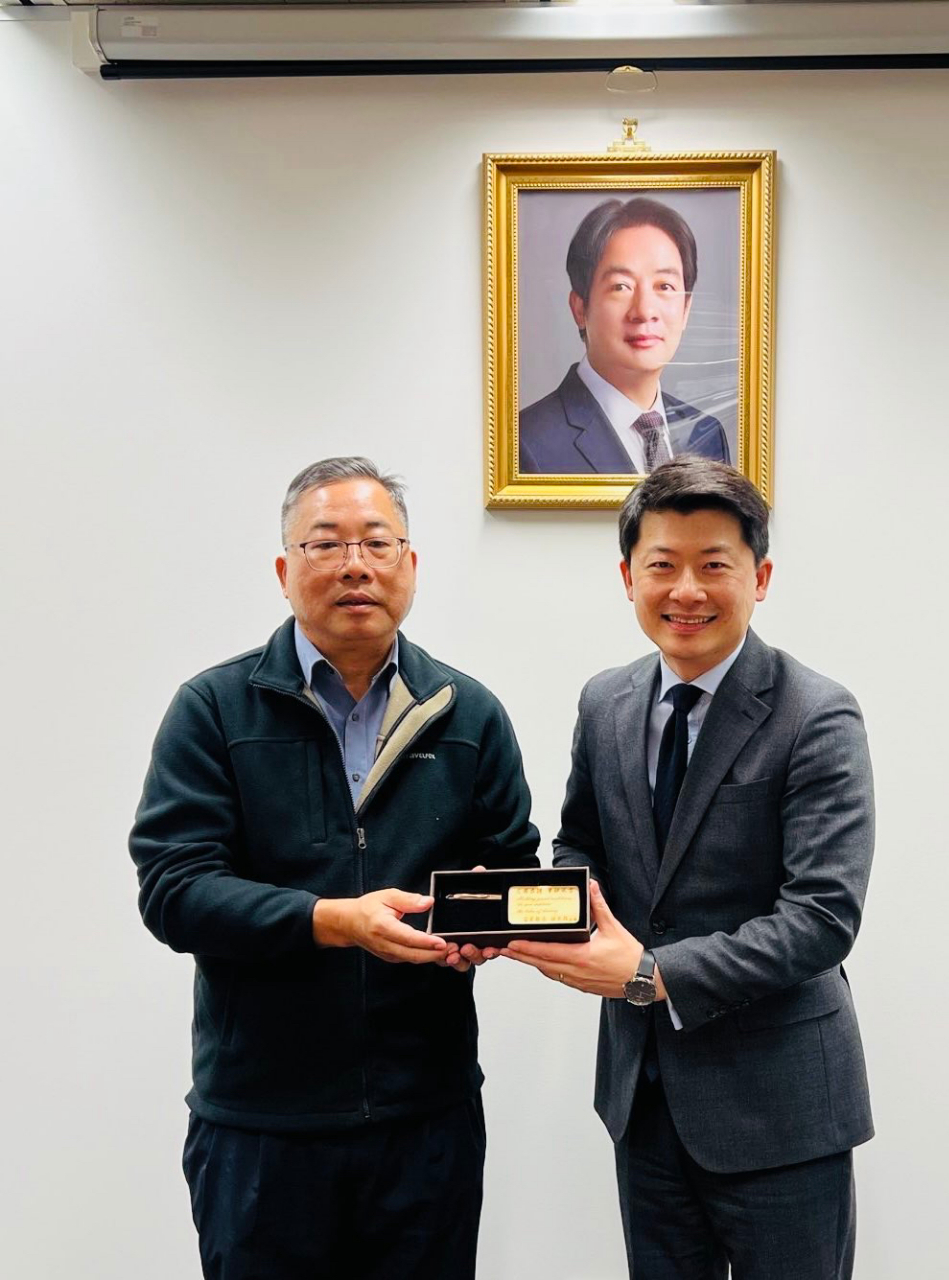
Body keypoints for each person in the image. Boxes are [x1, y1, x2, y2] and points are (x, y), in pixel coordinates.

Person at [129, 456, 539, 1280]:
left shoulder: (468, 713)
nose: (356, 565)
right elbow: (174, 891)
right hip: (261, 1122)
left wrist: (484, 929)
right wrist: (329, 921)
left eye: (377, 544)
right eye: (325, 544)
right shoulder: (213, 709)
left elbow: (509, 869)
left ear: (410, 565)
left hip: (425, 1119)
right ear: (285, 572)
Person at [504, 457, 875, 1280]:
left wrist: (648, 973)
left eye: (714, 565)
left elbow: (821, 919)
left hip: (781, 1107)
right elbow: (578, 845)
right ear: (627, 577)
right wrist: (550, 920)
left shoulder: (817, 714)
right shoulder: (605, 702)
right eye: (662, 565)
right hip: (643, 1096)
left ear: (760, 578)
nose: (686, 591)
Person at [519, 196, 731, 475]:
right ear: (580, 308)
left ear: (686, 309)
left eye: (664, 286)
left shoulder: (707, 435)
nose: (644, 311)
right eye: (621, 286)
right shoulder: (526, 444)